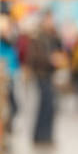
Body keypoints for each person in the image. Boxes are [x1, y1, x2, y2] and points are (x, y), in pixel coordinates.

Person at [27, 11, 62, 144]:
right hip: (41, 74)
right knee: (44, 105)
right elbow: (33, 58)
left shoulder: (52, 36)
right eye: (48, 20)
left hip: (49, 74)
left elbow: (58, 49)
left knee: (50, 106)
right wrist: (50, 60)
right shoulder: (38, 37)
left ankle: (46, 135)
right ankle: (39, 135)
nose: (50, 22)